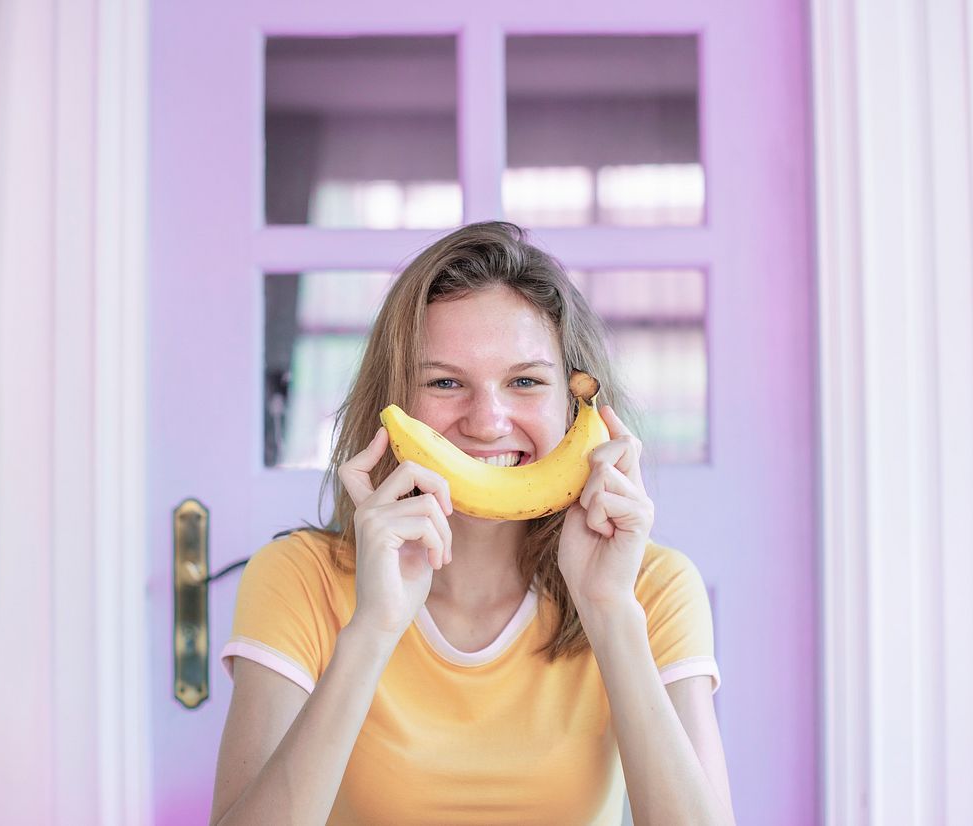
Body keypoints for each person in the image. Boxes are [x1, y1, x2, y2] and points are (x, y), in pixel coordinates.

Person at [210, 221, 735, 826]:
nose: (487, 422)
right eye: (445, 382)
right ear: (395, 404)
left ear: (577, 402)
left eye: (526, 381)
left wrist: (609, 611)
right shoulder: (298, 578)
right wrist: (374, 628)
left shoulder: (652, 588)